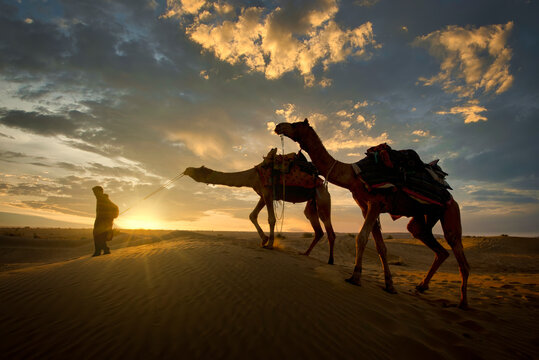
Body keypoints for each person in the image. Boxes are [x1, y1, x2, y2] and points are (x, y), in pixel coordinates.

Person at [92, 186, 119, 256]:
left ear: (100, 191)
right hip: (101, 221)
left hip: (103, 222)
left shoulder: (103, 199)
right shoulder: (100, 199)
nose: (94, 193)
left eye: (95, 192)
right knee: (99, 236)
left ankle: (102, 250)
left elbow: (115, 207)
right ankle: (101, 250)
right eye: (94, 192)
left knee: (99, 236)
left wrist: (111, 216)